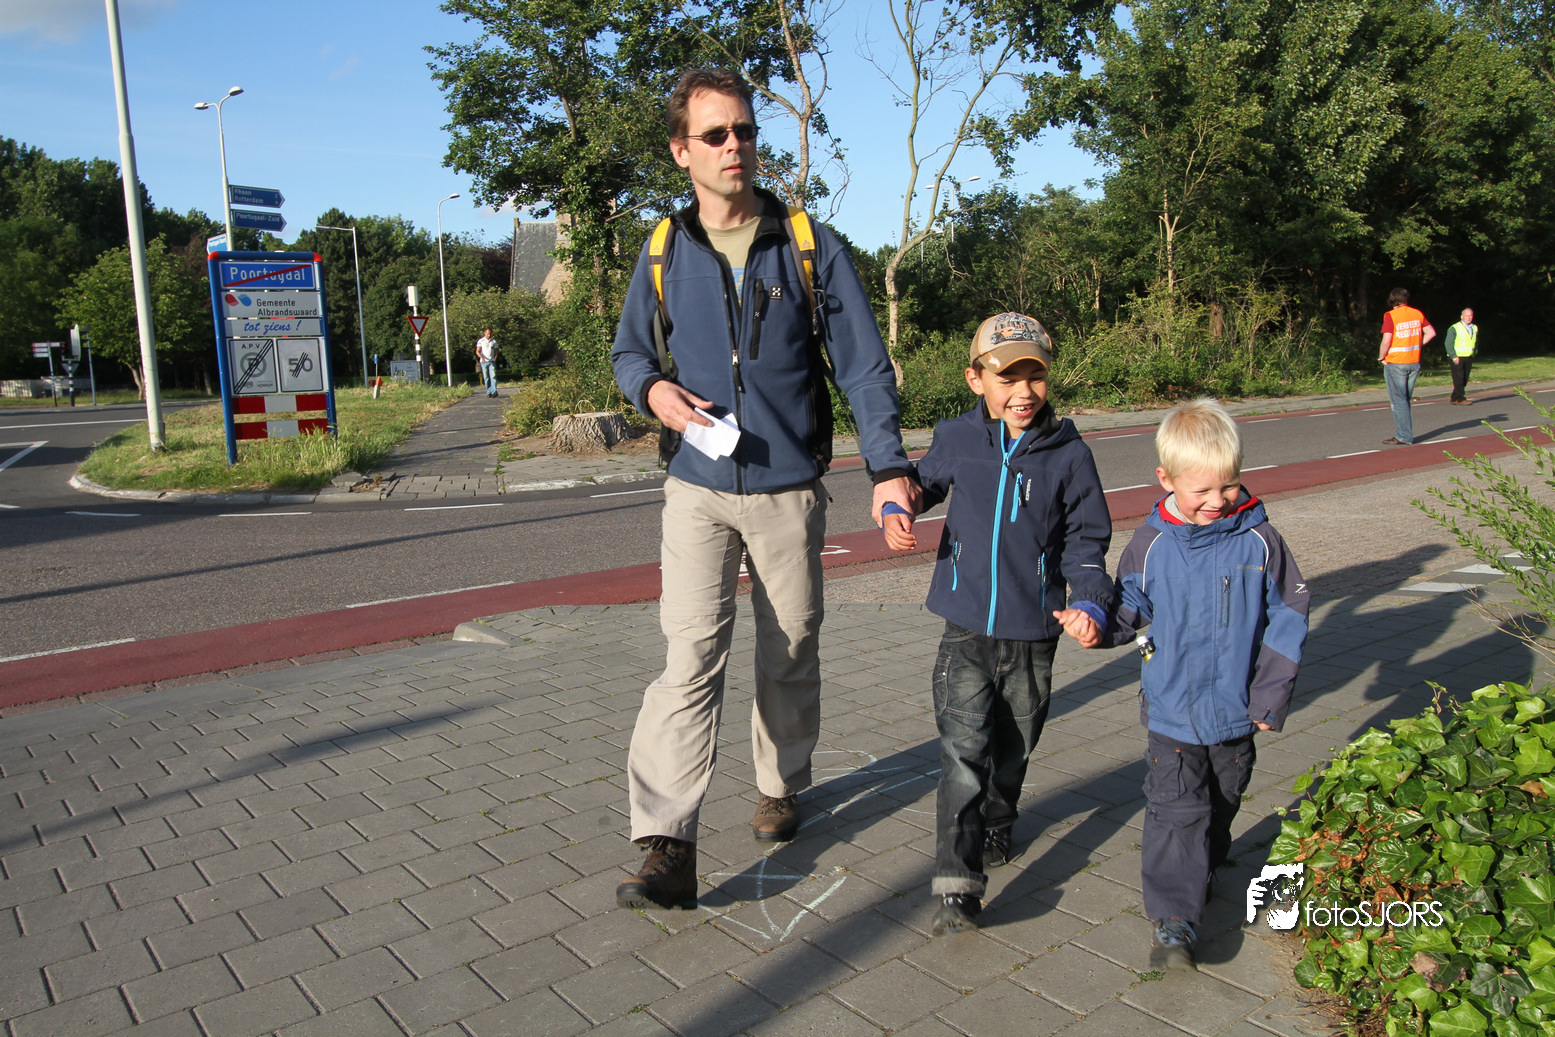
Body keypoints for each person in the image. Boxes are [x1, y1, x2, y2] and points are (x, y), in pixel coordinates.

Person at [610, 68, 919, 910]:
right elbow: (630, 350)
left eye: (744, 130)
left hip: (787, 485)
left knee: (789, 645)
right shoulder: (664, 248)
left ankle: (780, 783)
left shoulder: (807, 243)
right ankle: (667, 844)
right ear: (681, 151)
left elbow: (862, 367)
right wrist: (652, 390)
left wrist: (888, 468)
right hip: (697, 486)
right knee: (688, 657)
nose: (734, 146)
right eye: (714, 134)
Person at [883, 312, 1114, 935]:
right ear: (975, 379)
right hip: (965, 630)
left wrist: (1092, 604)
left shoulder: (1071, 455)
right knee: (962, 754)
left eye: (1035, 376)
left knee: (1014, 747)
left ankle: (1001, 814)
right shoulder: (958, 437)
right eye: (1007, 378)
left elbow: (1086, 543)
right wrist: (896, 505)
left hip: (1035, 632)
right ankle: (957, 887)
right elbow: (923, 483)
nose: (1023, 392)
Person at [1077, 398, 1309, 970]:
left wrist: (1271, 695)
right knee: (1176, 809)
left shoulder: (1261, 541)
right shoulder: (1150, 543)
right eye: (1201, 489)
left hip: (1237, 710)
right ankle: (1174, 922)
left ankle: (1202, 865)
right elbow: (1129, 605)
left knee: (1222, 802)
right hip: (1173, 712)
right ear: (1166, 479)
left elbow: (1289, 616)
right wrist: (1096, 625)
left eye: (1227, 485)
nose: (1217, 500)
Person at [1378, 288, 1436, 444]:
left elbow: (1386, 340)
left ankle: (1404, 435)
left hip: (1396, 362)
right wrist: (1418, 344)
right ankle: (1404, 433)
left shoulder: (1391, 316)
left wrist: (1381, 357)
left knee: (1399, 401)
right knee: (1405, 400)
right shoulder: (1417, 314)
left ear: (1392, 300)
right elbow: (1431, 332)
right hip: (1413, 362)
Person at [1444, 307, 1478, 405]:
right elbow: (1448, 343)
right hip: (1457, 357)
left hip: (1468, 356)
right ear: (1462, 316)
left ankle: (1454, 397)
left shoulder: (1474, 327)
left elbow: (1475, 341)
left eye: (1470, 315)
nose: (1468, 317)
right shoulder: (1455, 327)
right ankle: (1460, 398)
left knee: (1464, 379)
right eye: (1466, 315)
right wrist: (1453, 356)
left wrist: (1474, 352)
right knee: (1459, 378)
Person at [475, 329, 498, 397]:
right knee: (486, 377)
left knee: (493, 376)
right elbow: (477, 351)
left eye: (490, 333)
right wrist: (482, 357)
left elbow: (496, 350)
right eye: (488, 333)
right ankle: (489, 391)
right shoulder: (481, 341)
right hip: (484, 362)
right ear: (484, 333)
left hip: (491, 361)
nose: (489, 335)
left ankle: (494, 391)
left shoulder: (493, 341)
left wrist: (495, 358)